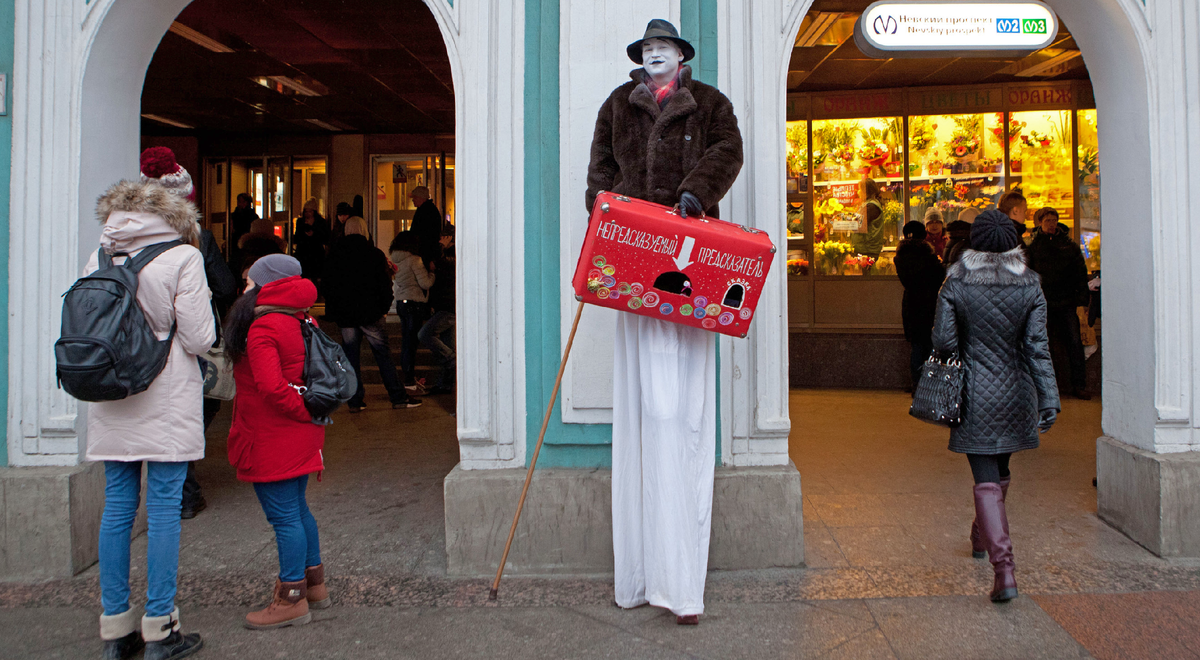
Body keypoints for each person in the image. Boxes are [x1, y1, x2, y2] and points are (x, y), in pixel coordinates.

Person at [586, 18, 743, 625]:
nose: (656, 56)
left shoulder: (710, 103)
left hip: (690, 250)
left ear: (680, 56)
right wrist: (602, 223)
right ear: (641, 58)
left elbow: (726, 151)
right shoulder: (615, 106)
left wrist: (695, 193)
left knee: (683, 407)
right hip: (632, 248)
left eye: (665, 49)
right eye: (648, 50)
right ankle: (643, 573)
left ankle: (682, 578)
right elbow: (599, 170)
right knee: (646, 403)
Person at [88, 179, 213, 660]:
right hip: (164, 396)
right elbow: (199, 338)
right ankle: (161, 627)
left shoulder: (101, 255)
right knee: (163, 511)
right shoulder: (182, 257)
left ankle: (115, 631)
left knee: (117, 508)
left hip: (112, 395)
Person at [930, 209, 1059, 604]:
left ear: (975, 241)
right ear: (1013, 243)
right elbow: (1038, 347)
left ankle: (1004, 569)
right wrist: (1049, 396)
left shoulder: (956, 281)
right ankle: (980, 533)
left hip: (973, 392)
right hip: (1017, 391)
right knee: (1000, 471)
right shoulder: (1031, 284)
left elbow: (944, 341)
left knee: (985, 475)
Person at [224, 255, 331, 630]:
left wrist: (302, 411)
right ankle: (314, 586)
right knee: (299, 510)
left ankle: (291, 600)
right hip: (299, 434)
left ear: (266, 285)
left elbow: (271, 387)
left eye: (249, 284)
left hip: (273, 435)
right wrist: (310, 414)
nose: (244, 290)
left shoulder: (264, 326)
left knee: (285, 516)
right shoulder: (303, 317)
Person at [137, 145, 237, 521]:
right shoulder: (196, 240)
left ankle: (184, 491)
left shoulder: (118, 237)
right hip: (186, 343)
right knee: (196, 405)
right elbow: (225, 286)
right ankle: (184, 491)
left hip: (137, 347)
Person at [321, 217, 421, 411]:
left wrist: (336, 309)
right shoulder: (374, 254)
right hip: (370, 313)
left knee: (350, 356)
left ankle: (355, 401)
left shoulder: (334, 255)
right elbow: (384, 285)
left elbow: (327, 286)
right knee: (383, 355)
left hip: (346, 315)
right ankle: (398, 397)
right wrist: (383, 308)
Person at [1026, 207, 1092, 399]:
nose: (1051, 223)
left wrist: (1082, 299)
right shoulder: (1034, 246)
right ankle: (1045, 387)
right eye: (1047, 220)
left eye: (1054, 220)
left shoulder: (1068, 245)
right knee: (1044, 345)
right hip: (1043, 302)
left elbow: (1079, 272)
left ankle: (1079, 384)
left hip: (1066, 302)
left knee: (1074, 343)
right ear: (1040, 222)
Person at [894, 221, 945, 392]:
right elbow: (940, 275)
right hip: (929, 304)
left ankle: (916, 384)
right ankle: (930, 384)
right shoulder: (927, 257)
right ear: (923, 235)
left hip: (911, 304)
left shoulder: (901, 257)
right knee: (930, 346)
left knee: (916, 346)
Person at [389, 230, 434, 393]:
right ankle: (409, 378)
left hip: (401, 302)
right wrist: (432, 273)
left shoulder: (395, 260)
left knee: (406, 341)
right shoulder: (415, 260)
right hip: (414, 303)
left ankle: (407, 376)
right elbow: (425, 283)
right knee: (411, 342)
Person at [418, 226, 456, 395]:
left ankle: (453, 360)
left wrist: (441, 249)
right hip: (445, 304)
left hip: (450, 306)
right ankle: (445, 385)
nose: (440, 240)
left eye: (444, 237)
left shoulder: (455, 253)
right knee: (448, 343)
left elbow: (440, 264)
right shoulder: (445, 255)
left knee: (425, 334)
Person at [292, 198, 330, 283]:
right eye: (306, 211)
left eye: (310, 211)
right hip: (303, 252)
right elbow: (297, 237)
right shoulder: (300, 221)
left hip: (316, 253)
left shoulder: (321, 222)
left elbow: (325, 238)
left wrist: (314, 233)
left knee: (316, 277)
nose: (308, 214)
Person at [408, 185, 443, 264]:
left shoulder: (425, 212)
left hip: (424, 253)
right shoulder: (429, 210)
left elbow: (427, 235)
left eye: (415, 197)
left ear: (421, 198)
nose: (413, 200)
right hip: (426, 253)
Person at [857, 178, 885, 270]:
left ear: (866, 191)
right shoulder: (869, 205)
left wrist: (844, 223)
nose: (858, 192)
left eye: (860, 189)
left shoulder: (871, 207)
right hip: (867, 248)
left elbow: (860, 225)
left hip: (867, 250)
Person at [229, 193, 258, 272]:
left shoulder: (252, 216)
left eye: (243, 202)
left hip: (247, 244)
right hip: (236, 242)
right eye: (239, 201)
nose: (240, 204)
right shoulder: (233, 215)